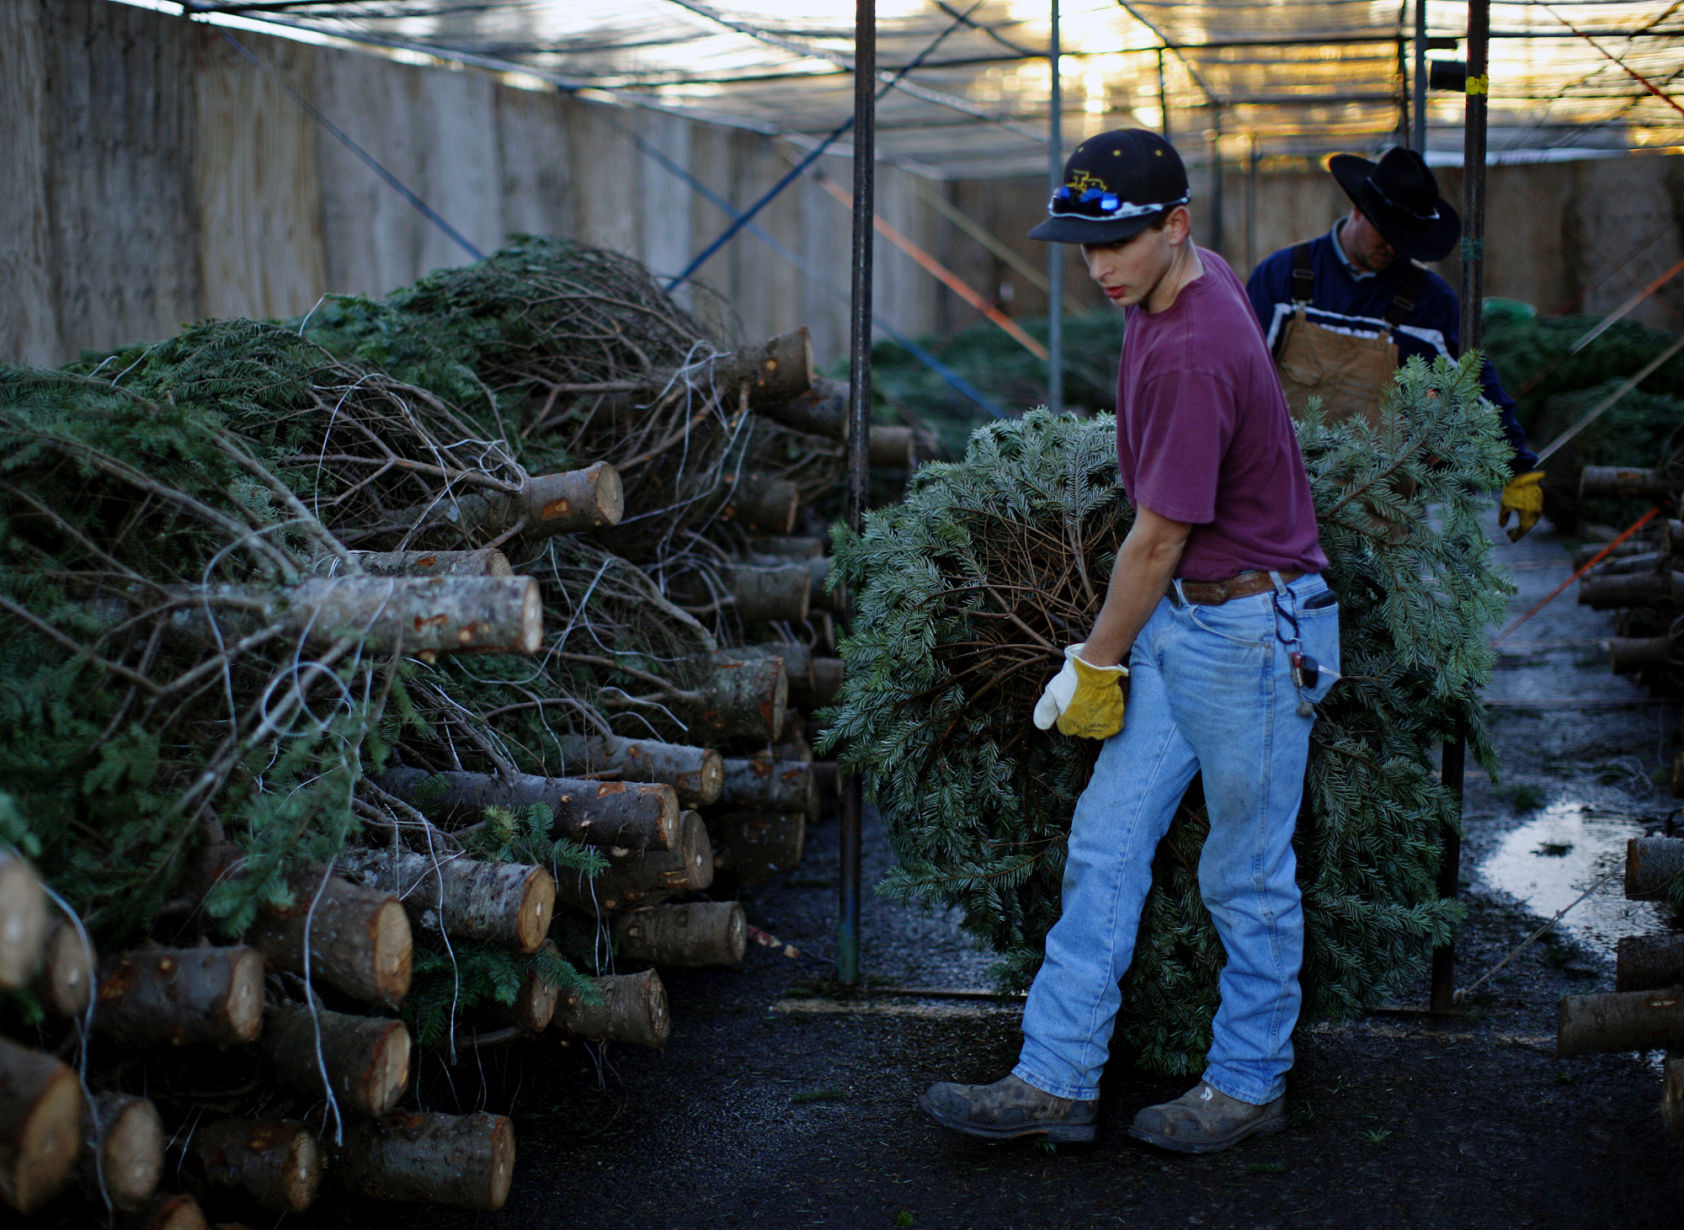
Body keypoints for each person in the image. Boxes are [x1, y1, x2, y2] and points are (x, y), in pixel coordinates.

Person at [917, 128, 1341, 1154]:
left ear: (1176, 226)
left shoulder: (1195, 350)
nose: (1097, 269)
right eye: (1082, 246)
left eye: (1117, 244)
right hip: (1190, 621)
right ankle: (1053, 1080)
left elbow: (1155, 541)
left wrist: (1094, 660)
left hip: (1248, 632)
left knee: (1243, 873)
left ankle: (1248, 1084)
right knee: (1105, 844)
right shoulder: (1181, 284)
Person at [1244, 146, 1545, 540]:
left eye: (1406, 240)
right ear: (1357, 209)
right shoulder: (1284, 277)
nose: (1393, 248)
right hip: (1283, 502)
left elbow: (1476, 385)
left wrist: (1520, 469)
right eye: (1386, 233)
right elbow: (1241, 379)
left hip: (1377, 510)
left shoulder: (1427, 301)